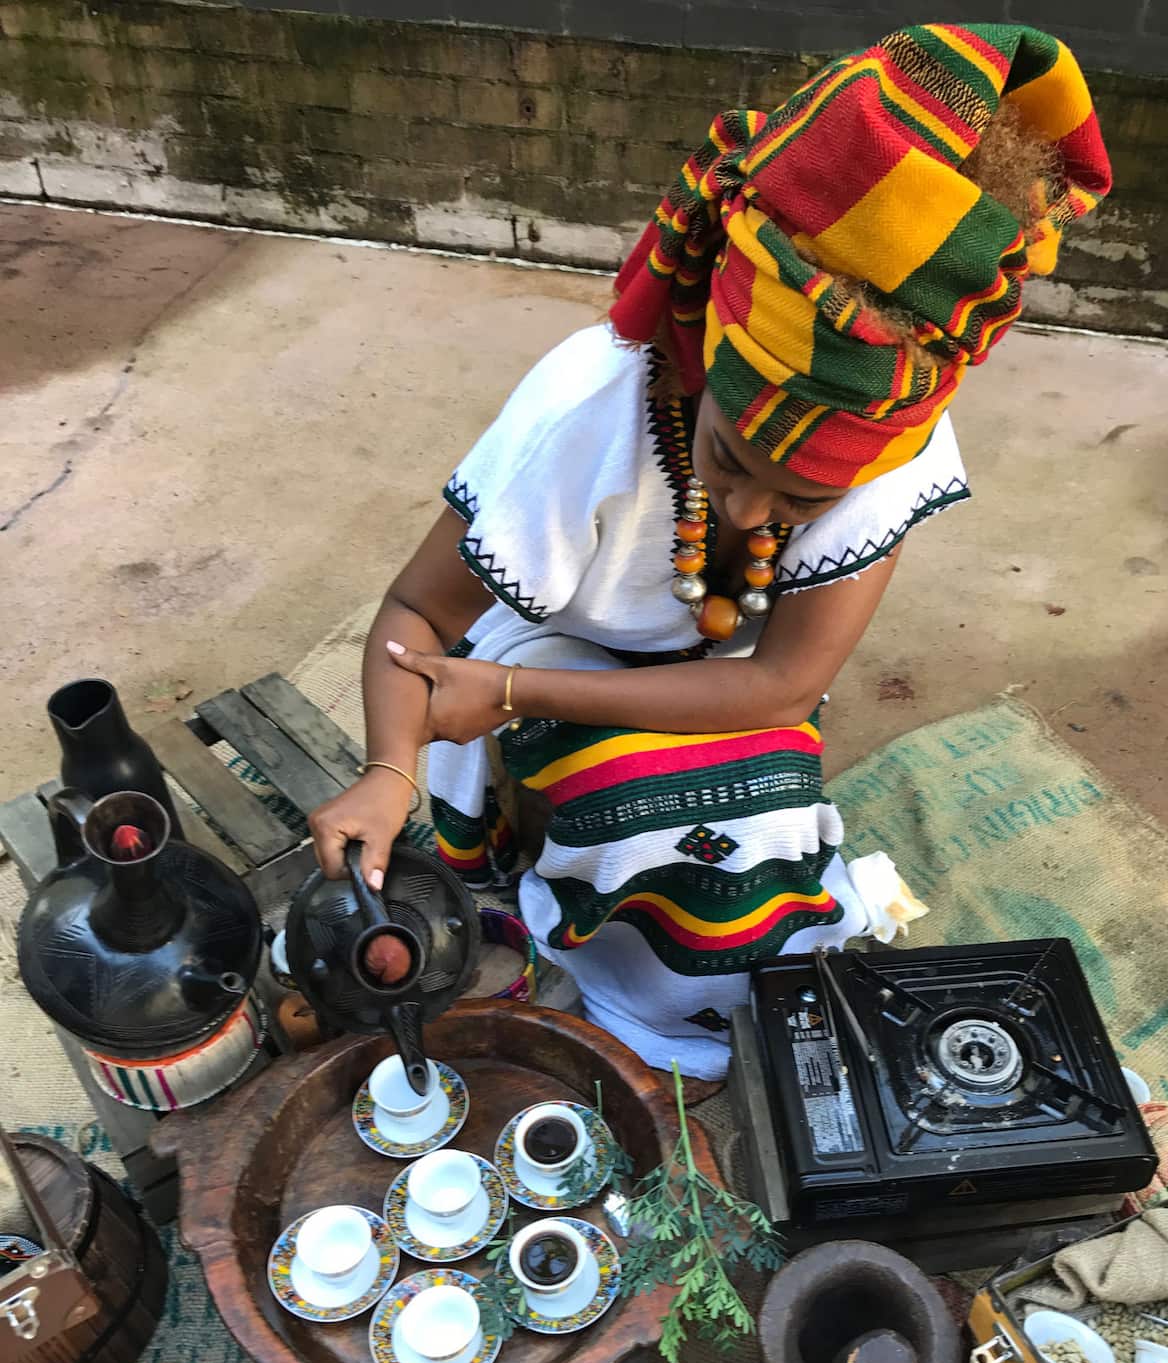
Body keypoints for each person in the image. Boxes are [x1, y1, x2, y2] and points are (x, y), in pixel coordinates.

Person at [309, 22, 1111, 1079]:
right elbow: (416, 615)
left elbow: (782, 684)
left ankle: (697, 995)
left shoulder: (895, 442)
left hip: (690, 677)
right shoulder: (587, 413)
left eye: (806, 500)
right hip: (549, 650)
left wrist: (506, 696)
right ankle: (631, 989)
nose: (752, 512)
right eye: (729, 459)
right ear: (710, 362)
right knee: (639, 822)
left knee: (756, 856)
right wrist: (387, 769)